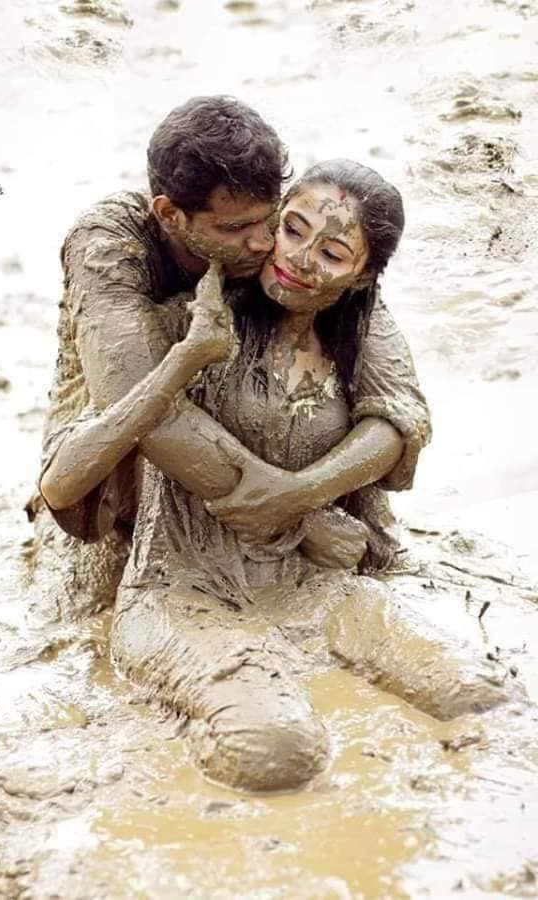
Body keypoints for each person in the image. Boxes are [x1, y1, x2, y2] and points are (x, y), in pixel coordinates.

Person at [39, 159, 523, 793]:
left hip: (316, 581)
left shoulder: (357, 330)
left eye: (332, 253)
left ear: (362, 276)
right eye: (291, 230)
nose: (299, 257)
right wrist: (300, 515)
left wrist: (297, 495)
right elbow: (110, 436)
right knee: (277, 751)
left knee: (480, 695)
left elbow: (398, 418)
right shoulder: (189, 319)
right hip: (183, 588)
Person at [28, 96, 429, 619]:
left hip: (248, 460)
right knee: (94, 602)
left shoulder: (296, 243)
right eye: (235, 229)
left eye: (271, 220)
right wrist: (298, 518)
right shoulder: (111, 244)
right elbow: (135, 401)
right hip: (113, 454)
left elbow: (398, 405)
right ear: (170, 216)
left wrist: (300, 493)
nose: (265, 244)